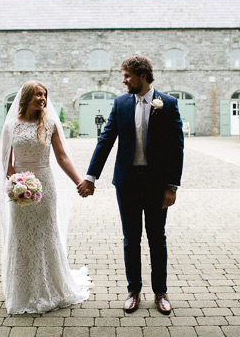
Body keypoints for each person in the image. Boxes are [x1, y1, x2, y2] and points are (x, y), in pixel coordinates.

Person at [77, 55, 184, 315]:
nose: (124, 81)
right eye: (123, 76)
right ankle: (133, 290)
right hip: (127, 183)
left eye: (127, 76)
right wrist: (90, 177)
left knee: (157, 238)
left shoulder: (168, 104)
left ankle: (161, 292)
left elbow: (176, 147)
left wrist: (172, 186)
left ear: (143, 76)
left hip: (158, 185)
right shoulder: (120, 103)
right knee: (131, 239)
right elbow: (106, 141)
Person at [0, 81, 92, 314]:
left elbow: (62, 157)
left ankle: (52, 287)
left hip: (45, 187)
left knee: (45, 233)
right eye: (38, 95)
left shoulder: (49, 124)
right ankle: (23, 290)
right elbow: (6, 164)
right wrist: (16, 185)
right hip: (20, 189)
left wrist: (79, 181)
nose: (42, 98)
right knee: (22, 235)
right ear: (27, 97)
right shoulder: (11, 126)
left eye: (44, 95)